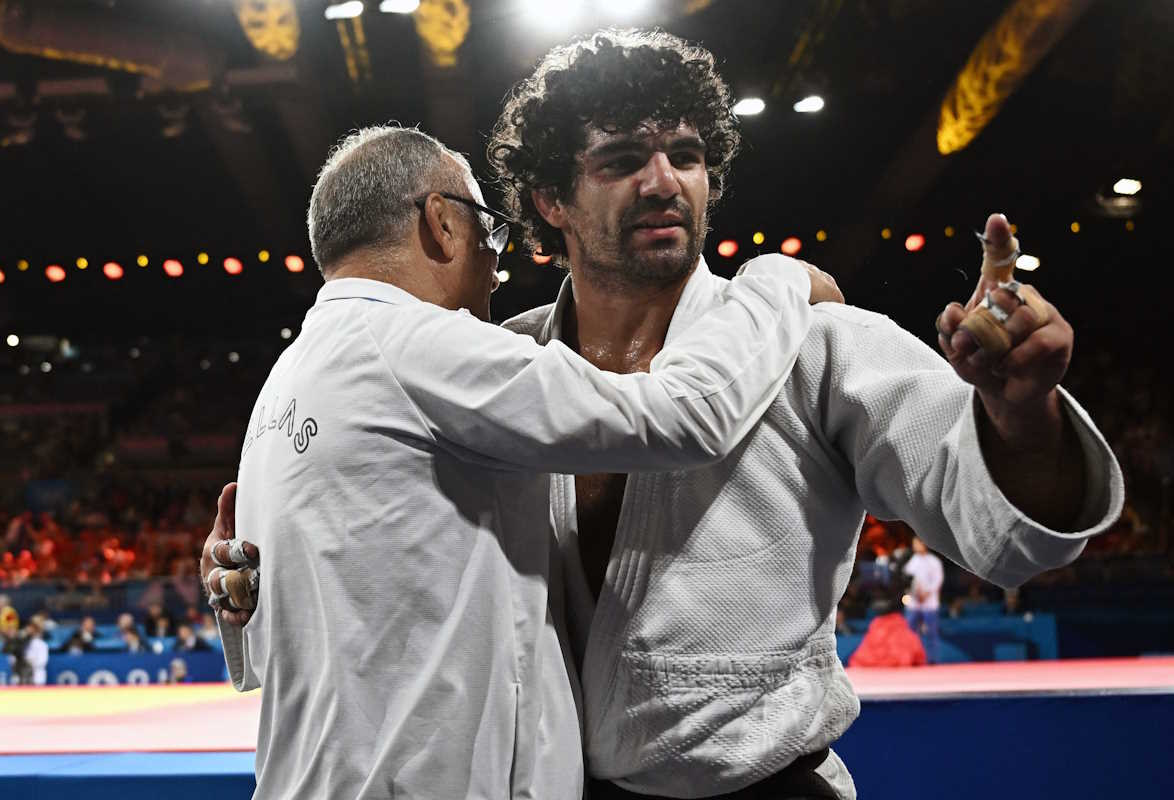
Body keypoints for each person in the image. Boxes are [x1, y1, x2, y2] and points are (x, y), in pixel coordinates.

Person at [209, 30, 1123, 800]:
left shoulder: (817, 344)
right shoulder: (499, 366)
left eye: (686, 156)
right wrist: (263, 572)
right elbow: (393, 546)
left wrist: (1023, 410)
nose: (662, 182)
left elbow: (1011, 541)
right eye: (619, 161)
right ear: (549, 201)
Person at [201, 123, 826, 800]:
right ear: (441, 222)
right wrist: (776, 284)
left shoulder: (284, 386)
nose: (495, 264)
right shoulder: (419, 344)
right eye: (487, 231)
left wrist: (238, 602)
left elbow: (261, 647)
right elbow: (682, 416)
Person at [902, 537, 944, 663]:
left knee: (931, 632)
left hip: (929, 602)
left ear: (924, 544)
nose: (915, 546)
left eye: (918, 543)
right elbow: (906, 580)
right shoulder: (911, 562)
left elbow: (937, 580)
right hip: (914, 603)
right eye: (914, 544)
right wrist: (915, 592)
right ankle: (911, 658)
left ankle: (932, 660)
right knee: (911, 633)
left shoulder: (934, 562)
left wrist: (927, 592)